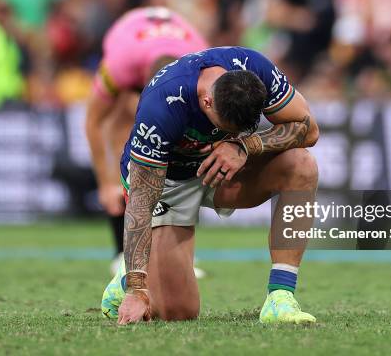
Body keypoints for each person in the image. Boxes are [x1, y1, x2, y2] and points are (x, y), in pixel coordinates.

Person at [101, 46, 320, 324]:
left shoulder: (255, 68)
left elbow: (309, 129)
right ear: (206, 102)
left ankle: (281, 298)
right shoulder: (162, 105)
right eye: (228, 127)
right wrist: (137, 288)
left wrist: (245, 144)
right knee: (178, 312)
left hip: (226, 167)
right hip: (169, 182)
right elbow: (141, 201)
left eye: (242, 128)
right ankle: (126, 277)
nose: (232, 132)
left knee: (302, 166)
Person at [84, 7, 208, 275]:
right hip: (128, 35)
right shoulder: (120, 65)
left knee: (179, 144)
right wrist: (106, 183)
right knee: (126, 134)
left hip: (172, 46)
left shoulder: (200, 65)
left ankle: (178, 251)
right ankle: (122, 251)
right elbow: (94, 121)